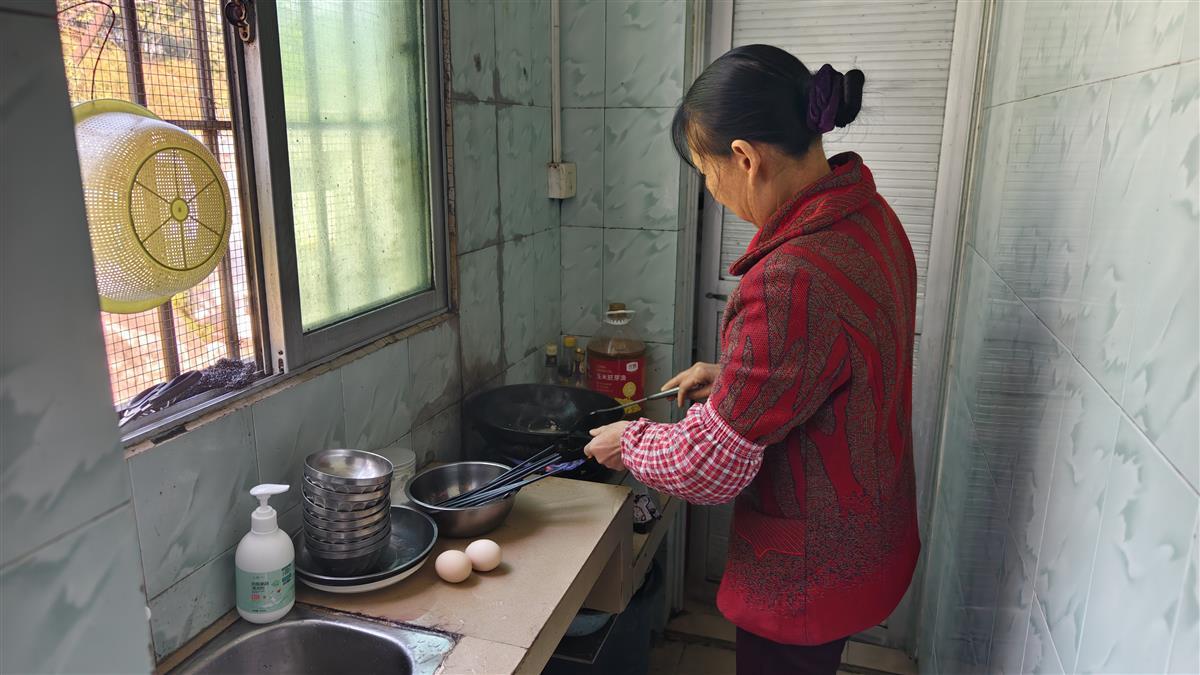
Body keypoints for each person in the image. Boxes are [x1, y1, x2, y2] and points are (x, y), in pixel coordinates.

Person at [584, 44, 920, 675]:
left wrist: (630, 441)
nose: (715, 193)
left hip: (811, 568)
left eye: (708, 176)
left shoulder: (790, 276)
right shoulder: (871, 219)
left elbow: (711, 466)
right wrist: (731, 377)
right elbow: (837, 360)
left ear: (744, 158)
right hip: (869, 530)